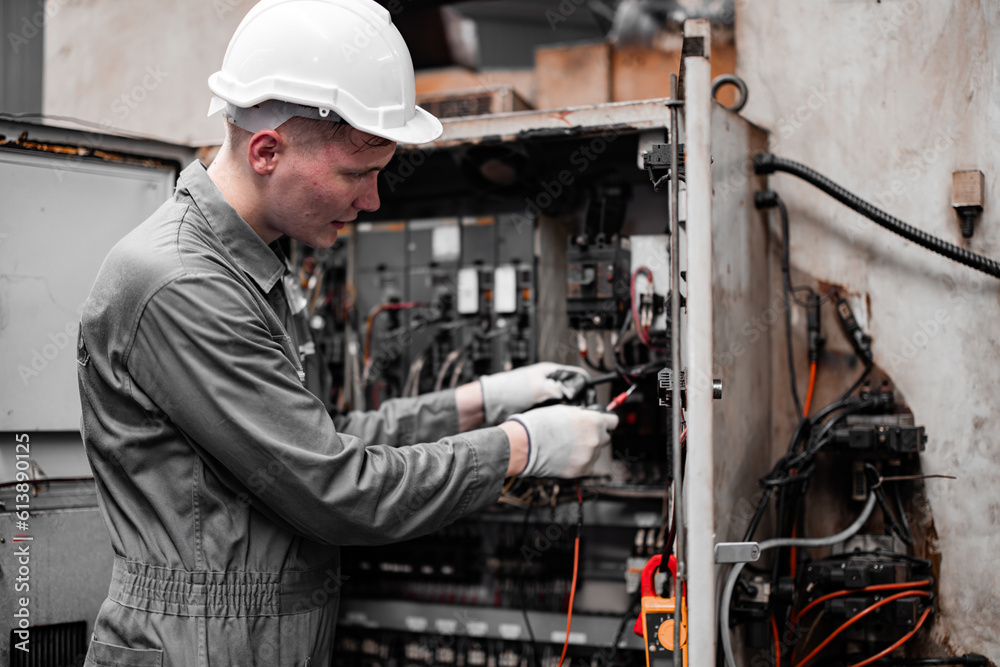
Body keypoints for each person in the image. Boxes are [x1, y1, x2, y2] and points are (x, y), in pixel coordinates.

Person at [76, 0, 618, 665]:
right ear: (267, 151)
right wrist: (519, 447)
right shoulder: (184, 284)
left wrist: (481, 400)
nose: (372, 200)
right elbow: (339, 489)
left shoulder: (248, 267)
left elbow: (315, 443)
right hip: (199, 645)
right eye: (357, 174)